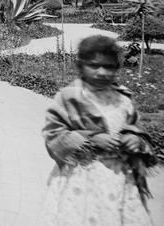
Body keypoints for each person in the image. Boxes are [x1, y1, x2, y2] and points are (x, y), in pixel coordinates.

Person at [40, 35, 158, 225]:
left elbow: (135, 128)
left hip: (119, 179)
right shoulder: (69, 98)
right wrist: (91, 139)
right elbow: (54, 135)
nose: (102, 72)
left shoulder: (124, 99)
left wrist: (135, 140)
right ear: (81, 66)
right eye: (94, 65)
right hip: (81, 177)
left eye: (109, 67)